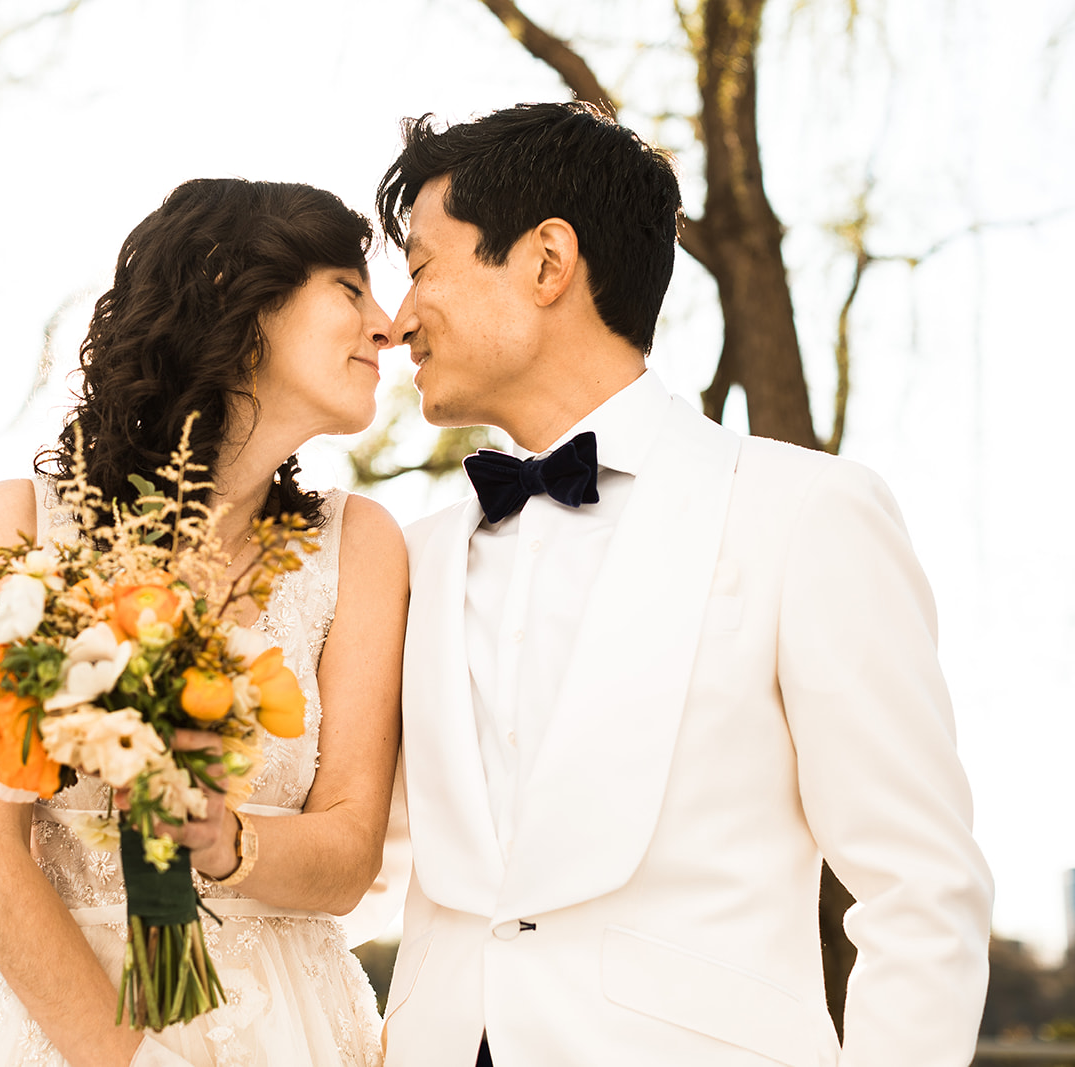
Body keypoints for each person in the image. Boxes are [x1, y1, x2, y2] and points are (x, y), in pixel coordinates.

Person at [376, 102, 993, 1066]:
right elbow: (362, 861)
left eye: (420, 268)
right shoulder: (408, 557)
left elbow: (920, 888)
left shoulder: (806, 513)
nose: (398, 318)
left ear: (547, 261)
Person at [0, 178, 410, 1067]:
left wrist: (230, 839)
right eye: (351, 289)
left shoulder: (364, 546)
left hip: (290, 1030)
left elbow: (351, 854)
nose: (388, 325)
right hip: (72, 1027)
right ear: (237, 296)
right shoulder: (22, 527)